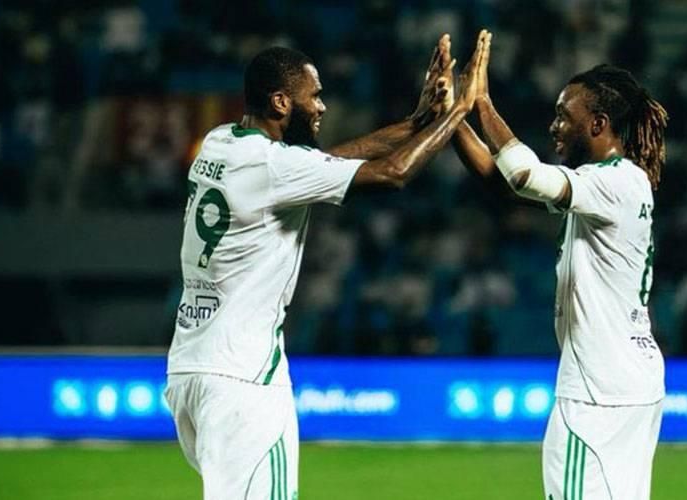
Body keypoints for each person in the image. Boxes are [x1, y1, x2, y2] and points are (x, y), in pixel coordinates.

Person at [164, 31, 490, 500]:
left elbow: (322, 163)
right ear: (281, 102)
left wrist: (418, 121)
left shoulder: (220, 143)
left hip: (189, 371)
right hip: (244, 379)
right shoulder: (274, 166)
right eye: (313, 95)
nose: (322, 106)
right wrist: (458, 111)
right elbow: (393, 173)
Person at [430, 34, 669, 500]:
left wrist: (481, 103)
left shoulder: (611, 184)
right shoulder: (613, 184)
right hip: (629, 383)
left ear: (598, 124)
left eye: (564, 115)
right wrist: (452, 115)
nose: (554, 125)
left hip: (596, 392)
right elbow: (503, 180)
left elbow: (523, 174)